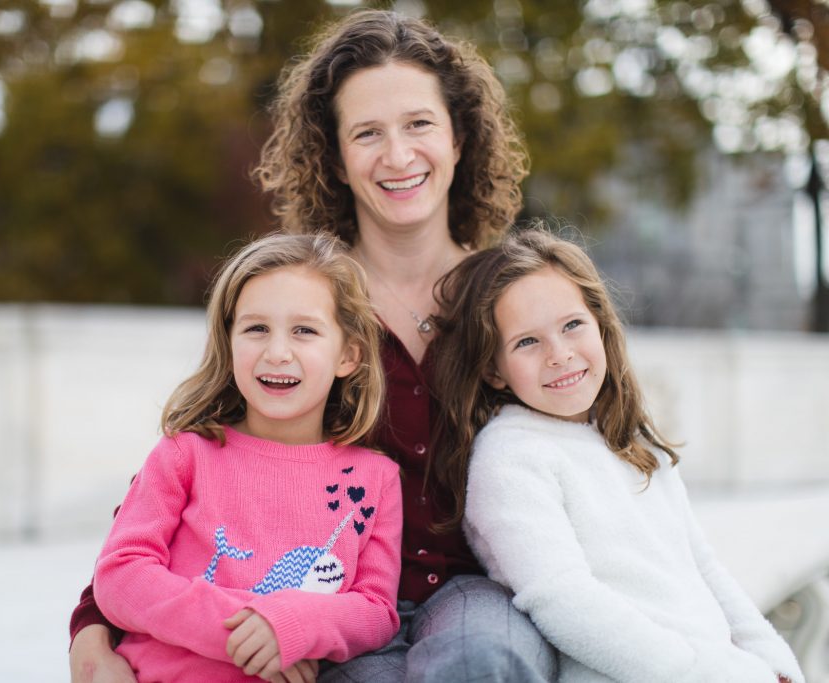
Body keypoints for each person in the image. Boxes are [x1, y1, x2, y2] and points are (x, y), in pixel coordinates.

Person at [70, 9, 557, 683]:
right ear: (334, 155)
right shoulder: (299, 307)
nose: (397, 155)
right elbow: (196, 466)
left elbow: (609, 452)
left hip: (476, 601)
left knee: (480, 660)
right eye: (366, 133)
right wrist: (92, 623)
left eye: (419, 123)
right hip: (329, 608)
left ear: (459, 135)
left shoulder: (517, 303)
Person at [431, 227, 805, 683]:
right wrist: (701, 672)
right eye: (527, 342)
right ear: (493, 369)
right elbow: (561, 598)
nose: (560, 354)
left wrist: (771, 658)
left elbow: (702, 564)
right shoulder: (509, 457)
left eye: (572, 326)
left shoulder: (632, 440)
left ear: (601, 325)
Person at [91, 231, 403, 683]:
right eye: (256, 328)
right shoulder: (185, 454)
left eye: (305, 331)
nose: (277, 352)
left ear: (348, 355)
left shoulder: (375, 478)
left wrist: (295, 626)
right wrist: (250, 628)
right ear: (229, 340)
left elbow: (376, 612)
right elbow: (121, 577)